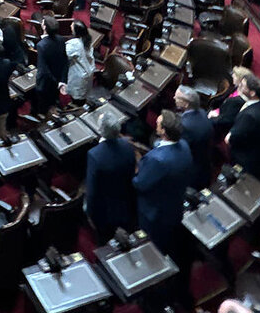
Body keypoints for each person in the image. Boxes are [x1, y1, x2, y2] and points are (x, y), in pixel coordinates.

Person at [133, 110, 193, 253]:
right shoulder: (184, 145)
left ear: (164, 131)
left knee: (154, 247)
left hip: (155, 213)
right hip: (175, 203)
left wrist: (137, 167)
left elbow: (140, 184)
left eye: (158, 124)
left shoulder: (157, 160)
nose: (155, 124)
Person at [85, 114, 136, 242]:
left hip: (105, 210)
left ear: (100, 130)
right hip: (127, 203)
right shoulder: (128, 146)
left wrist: (90, 214)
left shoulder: (95, 155)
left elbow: (92, 191)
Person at [226, 75, 260, 189]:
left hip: (248, 161)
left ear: (252, 93)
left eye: (243, 86)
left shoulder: (249, 116)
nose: (239, 86)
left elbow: (230, 139)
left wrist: (230, 135)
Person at [175, 85, 214, 190]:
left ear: (186, 104)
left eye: (177, 98)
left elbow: (179, 151)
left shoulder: (186, 126)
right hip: (205, 160)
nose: (174, 98)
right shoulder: (201, 112)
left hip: (193, 171)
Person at [35, 17, 68, 116]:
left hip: (46, 81)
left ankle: (42, 115)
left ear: (44, 27)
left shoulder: (41, 45)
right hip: (58, 76)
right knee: (53, 97)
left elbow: (43, 68)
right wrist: (61, 81)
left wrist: (54, 81)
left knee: (42, 103)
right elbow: (65, 61)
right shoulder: (61, 39)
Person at [62, 19, 95, 105]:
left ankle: (76, 107)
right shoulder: (87, 40)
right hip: (87, 73)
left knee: (77, 98)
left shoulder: (74, 44)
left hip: (79, 76)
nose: (70, 27)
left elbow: (63, 55)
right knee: (82, 95)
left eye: (72, 26)